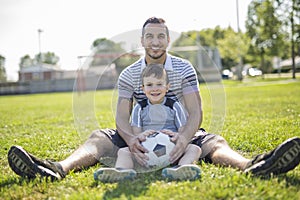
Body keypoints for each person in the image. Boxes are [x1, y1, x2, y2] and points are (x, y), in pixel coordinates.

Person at [7, 17, 300, 182]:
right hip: (140, 134)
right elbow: (122, 116)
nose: (155, 42)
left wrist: (185, 139)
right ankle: (57, 168)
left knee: (215, 142)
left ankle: (253, 165)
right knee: (98, 137)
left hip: (179, 132)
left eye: (161, 37)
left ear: (167, 40)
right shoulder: (129, 75)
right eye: (150, 37)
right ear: (142, 41)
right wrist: (131, 138)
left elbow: (195, 110)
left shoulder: (184, 68)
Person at [93, 64, 202, 182]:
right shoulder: (139, 107)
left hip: (172, 150)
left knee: (194, 149)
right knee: (124, 151)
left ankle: (182, 168)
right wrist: (141, 136)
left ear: (167, 87)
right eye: (149, 85)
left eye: (159, 84)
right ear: (143, 88)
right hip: (146, 152)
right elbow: (136, 134)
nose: (154, 89)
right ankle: (122, 171)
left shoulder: (175, 105)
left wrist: (175, 135)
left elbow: (182, 130)